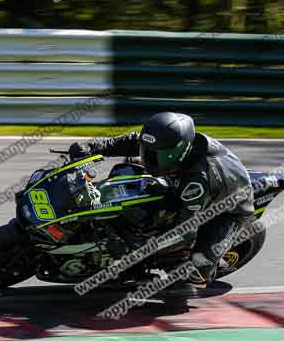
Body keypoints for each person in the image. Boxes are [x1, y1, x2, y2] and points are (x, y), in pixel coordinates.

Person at [68, 112, 255, 286]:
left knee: (196, 270)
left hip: (230, 210)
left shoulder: (196, 184)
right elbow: (134, 140)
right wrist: (93, 148)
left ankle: (201, 268)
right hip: (186, 182)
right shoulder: (174, 146)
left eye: (156, 155)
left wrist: (137, 249)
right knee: (128, 172)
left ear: (178, 152)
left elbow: (184, 232)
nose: (148, 158)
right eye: (147, 152)